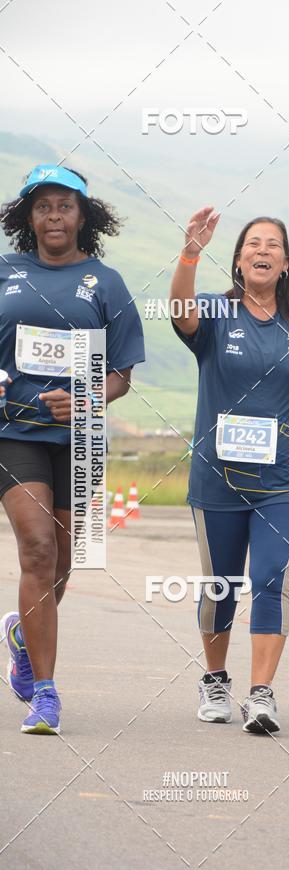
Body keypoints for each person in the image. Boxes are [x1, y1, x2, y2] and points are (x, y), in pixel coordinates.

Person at [170, 207, 289, 734]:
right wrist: (190, 252)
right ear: (237, 259)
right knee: (221, 586)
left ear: (285, 261)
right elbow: (181, 312)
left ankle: (261, 694)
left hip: (287, 480)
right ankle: (214, 679)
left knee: (271, 577)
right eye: (253, 243)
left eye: (272, 244)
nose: (262, 250)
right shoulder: (213, 311)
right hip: (218, 479)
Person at [0, 165, 145, 735]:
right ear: (27, 217)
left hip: (80, 440)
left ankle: (21, 634)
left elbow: (121, 376)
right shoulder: (5, 271)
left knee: (63, 562)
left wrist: (85, 397)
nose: (53, 216)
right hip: (14, 432)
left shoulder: (105, 282)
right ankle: (46, 692)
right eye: (42, 207)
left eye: (64, 206)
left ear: (84, 216)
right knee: (36, 551)